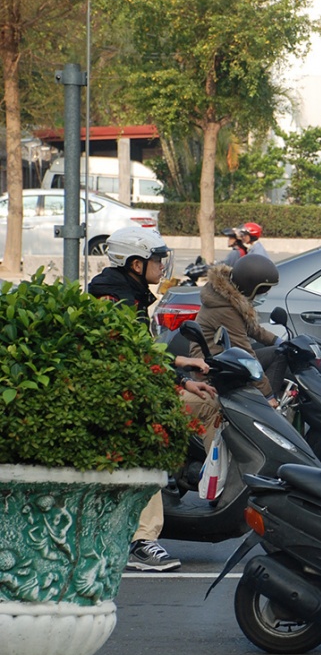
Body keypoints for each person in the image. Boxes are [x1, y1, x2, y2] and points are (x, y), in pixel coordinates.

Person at [88, 226, 220, 571]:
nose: (162, 265)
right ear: (135, 264)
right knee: (148, 446)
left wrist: (181, 367)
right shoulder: (112, 299)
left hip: (136, 388)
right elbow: (127, 354)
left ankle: (210, 484)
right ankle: (142, 540)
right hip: (119, 400)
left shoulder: (129, 294)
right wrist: (178, 379)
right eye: (156, 259)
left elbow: (141, 350)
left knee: (209, 403)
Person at [190, 252, 285, 404]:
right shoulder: (226, 310)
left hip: (224, 360)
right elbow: (246, 355)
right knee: (276, 357)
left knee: (280, 351)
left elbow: (252, 328)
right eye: (263, 290)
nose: (265, 294)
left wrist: (278, 341)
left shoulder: (231, 299)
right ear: (250, 287)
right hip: (213, 368)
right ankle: (263, 409)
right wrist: (268, 396)